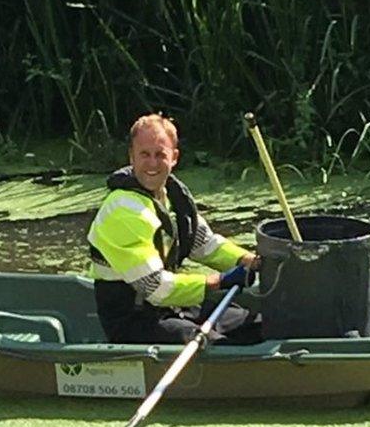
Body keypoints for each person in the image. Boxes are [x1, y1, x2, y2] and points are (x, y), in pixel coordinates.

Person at [87, 113, 263, 345]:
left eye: (160, 154)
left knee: (256, 323)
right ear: (131, 156)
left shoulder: (170, 197)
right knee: (214, 344)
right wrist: (219, 281)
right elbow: (156, 287)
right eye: (144, 154)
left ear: (174, 158)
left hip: (172, 307)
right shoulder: (123, 211)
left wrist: (248, 261)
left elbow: (205, 244)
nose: (152, 163)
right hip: (133, 320)